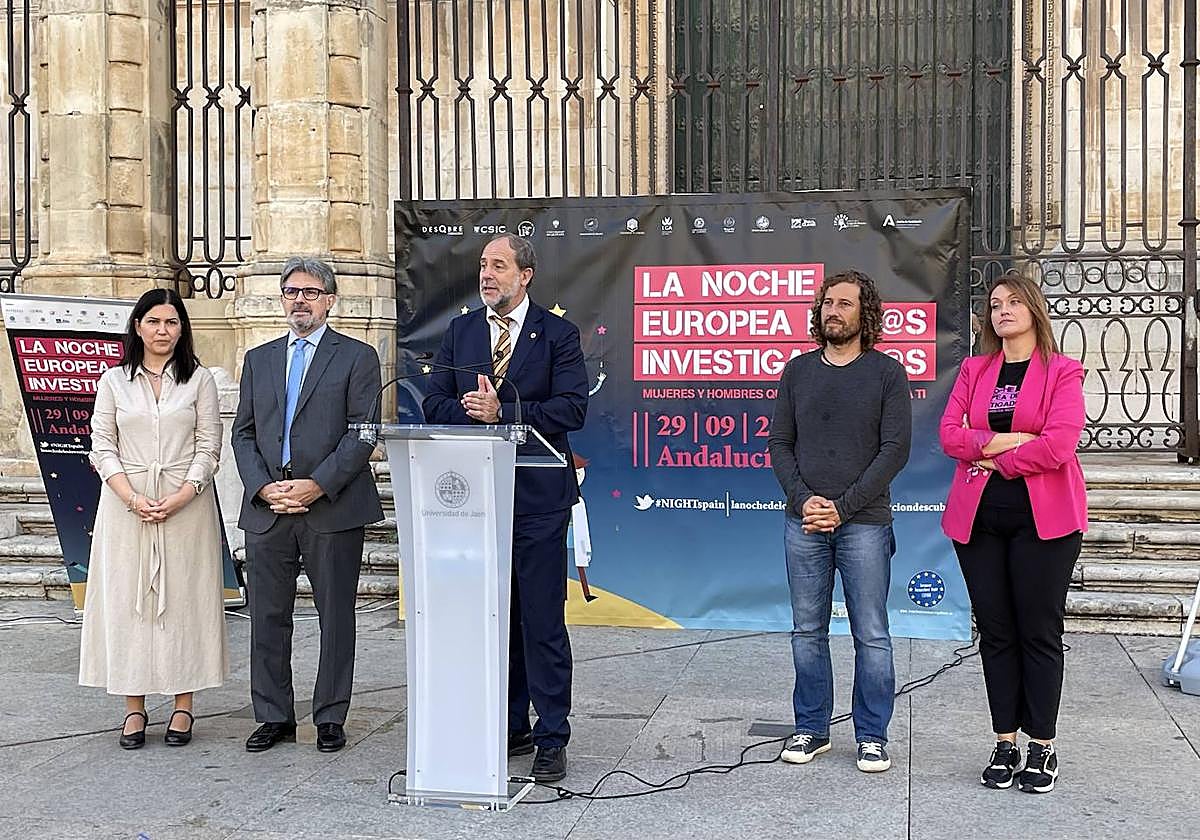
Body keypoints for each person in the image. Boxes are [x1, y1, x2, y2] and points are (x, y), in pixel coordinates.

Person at [422, 233, 588, 783]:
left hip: (537, 501)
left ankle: (551, 734)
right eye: (482, 265)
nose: (486, 274)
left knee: (540, 619)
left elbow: (571, 408)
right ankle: (510, 723)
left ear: (526, 275)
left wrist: (506, 410)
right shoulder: (462, 330)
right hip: (472, 499)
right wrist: (471, 412)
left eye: (498, 265)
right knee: (493, 617)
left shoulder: (558, 334)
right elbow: (434, 402)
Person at [939, 270, 1086, 794]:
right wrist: (1011, 439)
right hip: (978, 521)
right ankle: (1005, 741)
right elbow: (950, 436)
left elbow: (1058, 447)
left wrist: (994, 454)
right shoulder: (975, 371)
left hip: (1044, 522)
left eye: (1014, 302)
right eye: (996, 303)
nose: (1003, 310)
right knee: (997, 632)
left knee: (1038, 632)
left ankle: (1042, 747)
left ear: (1034, 311)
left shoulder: (1063, 372)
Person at [232, 257, 383, 754]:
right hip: (269, 508)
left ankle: (330, 715)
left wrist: (317, 485)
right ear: (282, 299)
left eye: (311, 292)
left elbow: (363, 432)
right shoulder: (259, 358)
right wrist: (262, 487)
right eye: (292, 292)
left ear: (330, 300)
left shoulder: (358, 357)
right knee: (267, 617)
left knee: (335, 616)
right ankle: (273, 714)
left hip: (331, 508)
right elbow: (244, 433)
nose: (300, 300)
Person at [768, 269, 912, 774]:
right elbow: (779, 444)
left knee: (871, 632)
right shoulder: (798, 371)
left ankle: (871, 735)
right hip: (803, 521)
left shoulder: (888, 374)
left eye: (846, 303)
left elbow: (895, 451)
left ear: (864, 313)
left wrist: (843, 507)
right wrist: (805, 499)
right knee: (807, 630)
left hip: (865, 523)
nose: (834, 310)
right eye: (829, 302)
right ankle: (811, 728)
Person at [80, 288, 227, 749]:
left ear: (182, 328)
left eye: (171, 322)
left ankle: (184, 703)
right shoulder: (113, 382)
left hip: (187, 507)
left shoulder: (199, 380)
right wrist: (131, 496)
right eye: (154, 322)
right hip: (128, 508)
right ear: (138, 327)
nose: (163, 331)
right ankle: (133, 707)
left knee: (186, 602)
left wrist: (186, 492)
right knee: (129, 602)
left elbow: (209, 444)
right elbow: (101, 445)